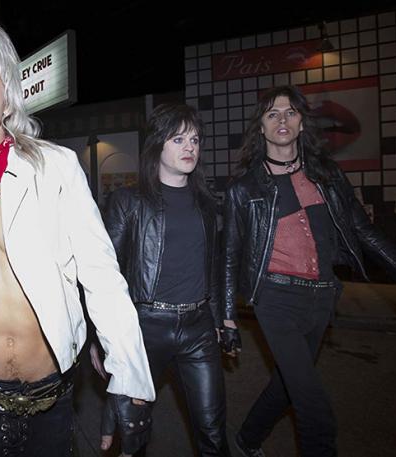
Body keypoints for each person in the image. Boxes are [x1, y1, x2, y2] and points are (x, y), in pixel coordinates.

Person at [0, 22, 155, 457]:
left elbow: (102, 277)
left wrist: (128, 378)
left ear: (7, 101)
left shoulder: (55, 169)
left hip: (51, 406)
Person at [222, 85, 396, 457]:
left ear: (302, 123)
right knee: (315, 408)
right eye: (272, 114)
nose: (282, 119)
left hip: (322, 297)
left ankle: (247, 439)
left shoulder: (328, 176)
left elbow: (365, 232)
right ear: (260, 127)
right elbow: (229, 254)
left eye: (290, 112)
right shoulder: (243, 188)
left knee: (289, 385)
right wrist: (227, 316)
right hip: (274, 298)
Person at [97, 103, 238, 456]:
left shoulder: (206, 205)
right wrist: (101, 338)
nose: (189, 147)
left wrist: (221, 318)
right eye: (178, 139)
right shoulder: (128, 201)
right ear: (158, 144)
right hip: (146, 328)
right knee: (134, 435)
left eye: (194, 139)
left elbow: (213, 267)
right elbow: (104, 273)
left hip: (198, 329)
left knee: (213, 433)